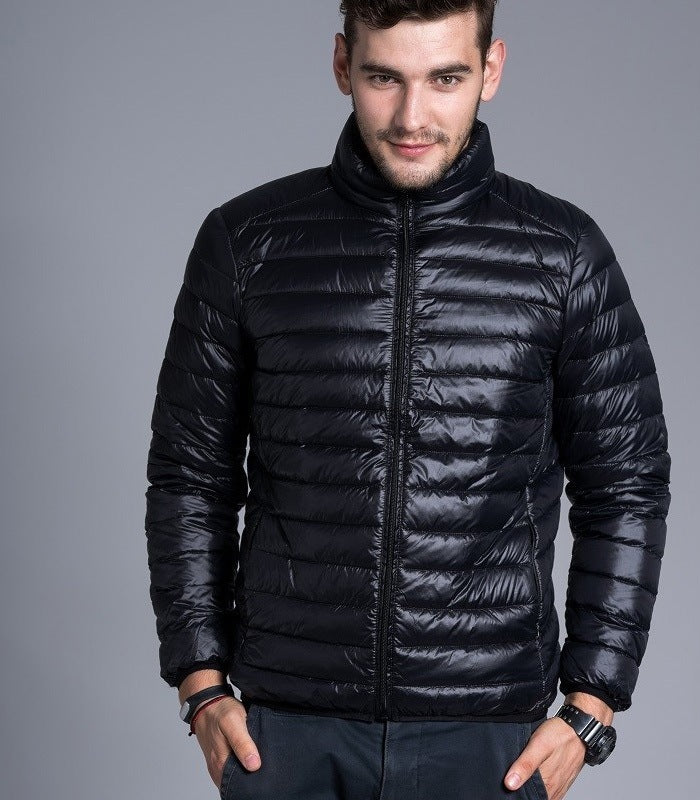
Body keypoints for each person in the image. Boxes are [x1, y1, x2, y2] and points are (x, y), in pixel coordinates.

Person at [144, 2, 672, 798]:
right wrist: (201, 685)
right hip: (286, 736)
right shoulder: (248, 243)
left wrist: (591, 706)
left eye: (445, 79)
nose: (412, 117)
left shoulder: (563, 255)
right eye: (384, 78)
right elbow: (190, 478)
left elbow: (627, 485)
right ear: (341, 64)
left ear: (491, 70)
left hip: (491, 740)